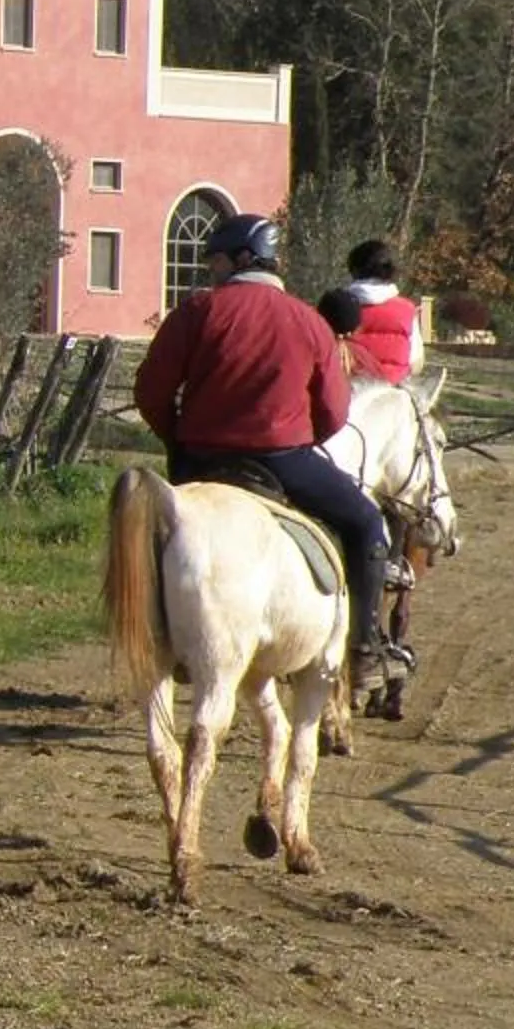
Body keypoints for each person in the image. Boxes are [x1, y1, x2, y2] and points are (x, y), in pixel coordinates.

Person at [134, 212, 405, 694]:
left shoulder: (196, 313)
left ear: (242, 257)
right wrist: (299, 435)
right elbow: (334, 412)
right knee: (367, 524)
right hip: (284, 460)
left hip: (201, 461)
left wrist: (179, 439)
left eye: (215, 260)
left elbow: (151, 393)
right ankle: (365, 651)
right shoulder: (308, 321)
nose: (210, 271)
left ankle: (157, 634)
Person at [324, 237, 423, 385]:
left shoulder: (336, 305)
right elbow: (416, 363)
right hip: (391, 394)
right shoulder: (407, 310)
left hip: (346, 390)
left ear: (354, 270)